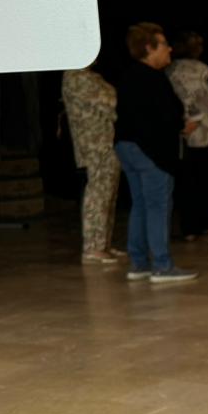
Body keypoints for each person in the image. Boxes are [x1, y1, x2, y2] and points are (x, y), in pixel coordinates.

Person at [112, 23, 198, 284]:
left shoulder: (127, 76)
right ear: (149, 48)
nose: (169, 49)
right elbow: (167, 115)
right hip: (150, 151)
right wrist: (183, 126)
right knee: (158, 206)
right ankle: (162, 265)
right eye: (164, 45)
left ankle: (139, 264)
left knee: (140, 204)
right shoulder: (153, 78)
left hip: (126, 146)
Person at [166, 31, 208, 241]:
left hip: (181, 133)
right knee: (207, 180)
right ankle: (205, 221)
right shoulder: (207, 72)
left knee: (186, 181)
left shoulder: (168, 71)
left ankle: (188, 227)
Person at [61, 58, 122, 265]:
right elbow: (109, 101)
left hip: (106, 141)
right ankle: (93, 246)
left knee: (108, 192)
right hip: (95, 143)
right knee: (98, 193)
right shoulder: (76, 76)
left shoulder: (90, 76)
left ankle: (103, 243)